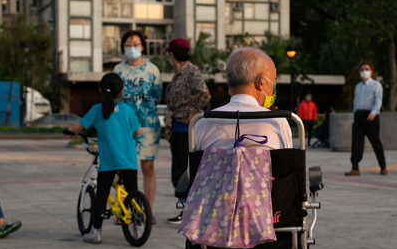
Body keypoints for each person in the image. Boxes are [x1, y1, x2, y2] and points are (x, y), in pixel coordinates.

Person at [167, 47, 292, 224]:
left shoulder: (202, 123)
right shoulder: (277, 122)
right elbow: (286, 176)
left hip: (214, 228)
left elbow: (193, 174)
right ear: (261, 82)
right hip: (266, 225)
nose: (274, 87)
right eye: (274, 79)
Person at [67, 73, 141, 243]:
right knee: (133, 194)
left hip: (109, 162)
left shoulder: (96, 109)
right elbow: (138, 132)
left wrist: (72, 131)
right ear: (121, 91)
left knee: (102, 195)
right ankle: (138, 227)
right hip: (129, 160)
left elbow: (78, 126)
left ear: (100, 90)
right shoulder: (128, 110)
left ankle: (95, 232)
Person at [114, 30, 162, 224]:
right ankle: (123, 210)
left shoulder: (152, 70)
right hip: (121, 126)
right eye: (127, 44)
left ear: (142, 46)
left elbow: (157, 96)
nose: (132, 47)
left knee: (147, 167)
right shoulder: (118, 70)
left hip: (148, 125)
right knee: (123, 169)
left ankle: (147, 211)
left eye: (135, 43)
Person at [163, 38, 210, 191]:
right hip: (175, 127)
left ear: (171, 54)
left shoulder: (191, 70)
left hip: (185, 128)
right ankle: (181, 211)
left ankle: (187, 211)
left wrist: (193, 110)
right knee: (178, 172)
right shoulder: (178, 73)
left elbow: (204, 93)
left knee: (185, 171)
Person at [346, 62, 387, 176]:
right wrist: (354, 119)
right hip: (359, 117)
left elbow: (378, 100)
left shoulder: (376, 85)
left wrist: (374, 112)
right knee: (356, 143)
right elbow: (356, 104)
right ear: (360, 72)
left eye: (367, 69)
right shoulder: (357, 87)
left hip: (371, 117)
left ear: (371, 71)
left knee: (376, 143)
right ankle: (355, 168)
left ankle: (383, 167)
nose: (365, 71)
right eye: (362, 69)